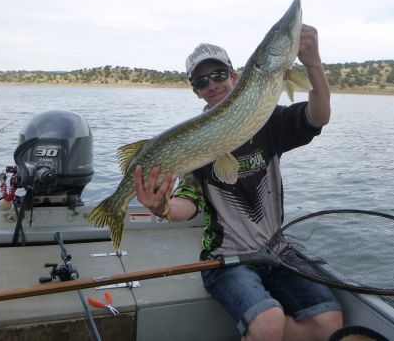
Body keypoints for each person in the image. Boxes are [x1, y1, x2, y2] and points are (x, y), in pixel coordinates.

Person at [135, 24, 343, 340]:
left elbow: (319, 116)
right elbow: (186, 206)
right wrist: (161, 206)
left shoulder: (267, 121)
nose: (212, 84)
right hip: (225, 259)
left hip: (278, 251)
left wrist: (313, 63)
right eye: (202, 81)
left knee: (328, 322)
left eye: (218, 74)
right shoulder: (195, 143)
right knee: (268, 321)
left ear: (234, 76)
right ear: (196, 91)